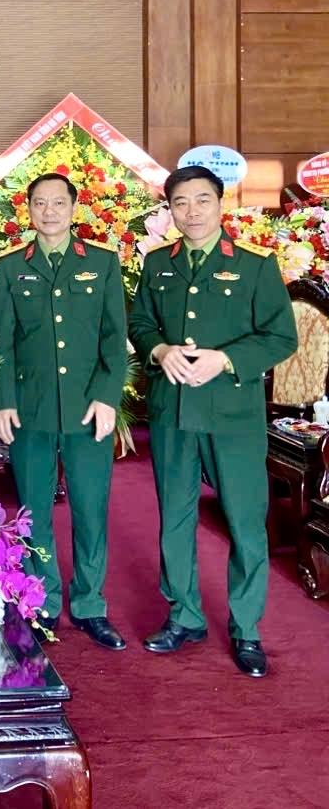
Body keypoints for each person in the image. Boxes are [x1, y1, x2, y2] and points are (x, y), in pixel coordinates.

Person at [128, 165, 297, 677]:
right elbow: (141, 322)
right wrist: (160, 350)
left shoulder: (254, 266)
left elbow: (281, 337)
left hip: (232, 412)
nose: (192, 212)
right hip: (173, 410)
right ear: (170, 210)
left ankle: (246, 628)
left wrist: (225, 360)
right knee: (175, 516)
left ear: (221, 204)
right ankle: (185, 615)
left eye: (202, 200)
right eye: (180, 202)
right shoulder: (158, 264)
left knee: (245, 520)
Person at [0, 172, 127, 650]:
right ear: (28, 210)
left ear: (74, 208)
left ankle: (90, 604)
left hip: (89, 408)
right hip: (30, 409)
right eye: (39, 203)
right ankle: (42, 602)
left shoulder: (102, 263)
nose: (49, 212)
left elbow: (115, 338)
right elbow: (0, 342)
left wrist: (108, 396)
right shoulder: (12, 267)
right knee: (34, 511)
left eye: (58, 203)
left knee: (90, 509)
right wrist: (2, 400)